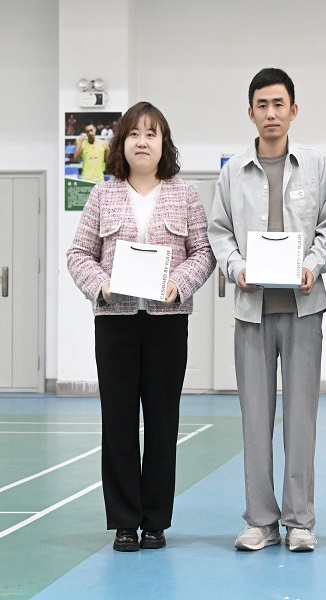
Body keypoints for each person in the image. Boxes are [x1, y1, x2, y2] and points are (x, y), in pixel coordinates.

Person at [66, 102, 215, 552]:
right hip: (116, 323)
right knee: (118, 422)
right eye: (134, 134)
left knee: (163, 422)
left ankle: (155, 522)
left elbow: (203, 253)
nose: (143, 142)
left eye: (152, 134)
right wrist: (102, 285)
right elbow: (78, 254)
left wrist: (178, 284)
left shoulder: (184, 194)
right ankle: (125, 522)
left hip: (167, 323)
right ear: (122, 143)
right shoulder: (102, 195)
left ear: (164, 143)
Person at [207, 67, 326, 553]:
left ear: (293, 110)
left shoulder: (316, 166)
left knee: (301, 419)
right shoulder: (232, 172)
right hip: (252, 312)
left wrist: (312, 265)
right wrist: (237, 268)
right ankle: (260, 521)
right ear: (251, 113)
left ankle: (299, 520)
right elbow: (219, 232)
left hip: (303, 309)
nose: (271, 113)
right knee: (255, 420)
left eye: (279, 104)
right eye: (262, 105)